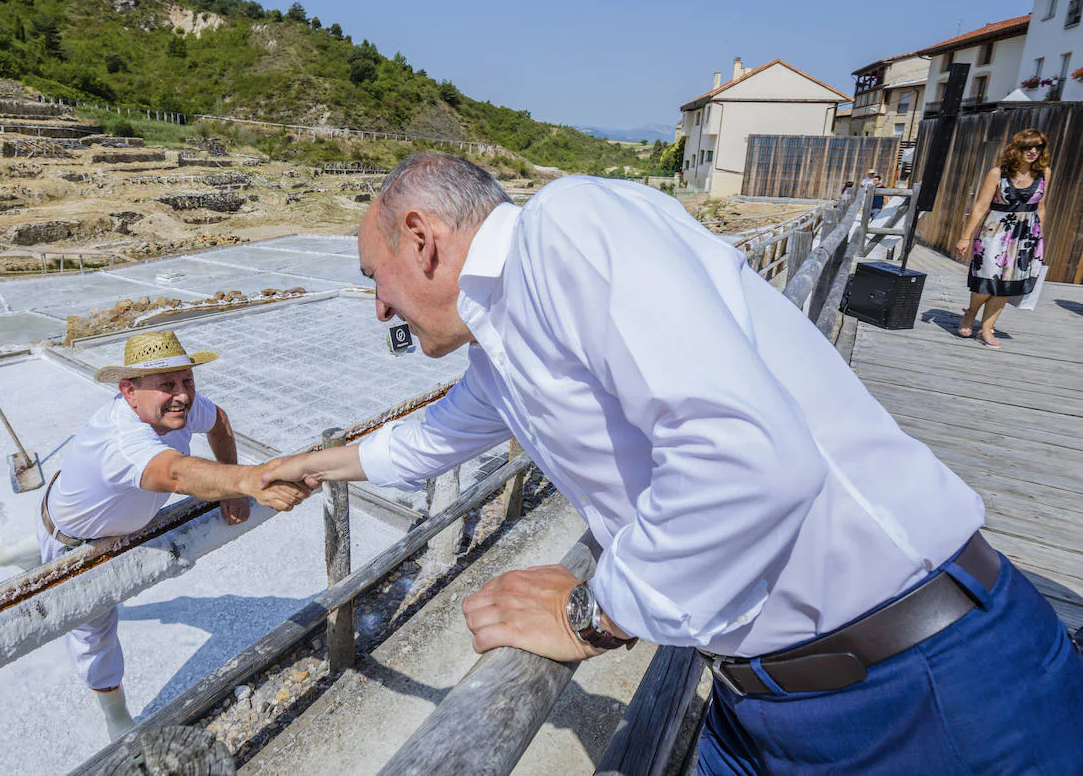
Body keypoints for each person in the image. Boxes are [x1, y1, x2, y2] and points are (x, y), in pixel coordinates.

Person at [260, 153, 1083, 774]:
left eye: (375, 278)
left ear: (421, 239)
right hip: (762, 702)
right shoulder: (501, 347)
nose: (378, 307)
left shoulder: (565, 227)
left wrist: (593, 613)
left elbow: (748, 459)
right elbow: (423, 441)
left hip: (923, 692)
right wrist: (302, 467)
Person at [36, 330, 309, 738]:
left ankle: (29, 555)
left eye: (187, 381)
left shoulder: (178, 409)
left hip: (113, 514)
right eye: (166, 384)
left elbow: (219, 421)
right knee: (94, 632)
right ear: (129, 391)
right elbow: (176, 474)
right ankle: (116, 719)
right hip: (76, 542)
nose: (182, 395)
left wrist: (228, 487)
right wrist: (247, 480)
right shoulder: (123, 441)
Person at [955, 129, 1050, 349]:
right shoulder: (998, 173)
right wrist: (965, 237)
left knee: (1008, 285)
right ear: (1017, 148)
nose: (1033, 151)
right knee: (985, 281)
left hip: (1026, 236)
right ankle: (971, 313)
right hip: (994, 232)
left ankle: (986, 329)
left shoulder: (1045, 173)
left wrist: (1039, 238)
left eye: (1038, 147)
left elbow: (1041, 207)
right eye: (1028, 147)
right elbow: (980, 207)